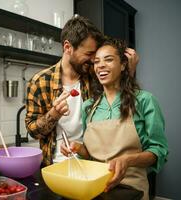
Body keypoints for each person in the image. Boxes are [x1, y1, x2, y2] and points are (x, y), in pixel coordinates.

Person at [60, 37, 168, 200]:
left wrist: (128, 160)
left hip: (132, 190)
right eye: (96, 62)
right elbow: (90, 155)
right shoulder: (88, 106)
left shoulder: (145, 101)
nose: (100, 65)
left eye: (108, 60)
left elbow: (158, 151)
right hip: (95, 189)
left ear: (123, 65)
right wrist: (78, 148)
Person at [25, 15, 139, 166]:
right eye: (89, 54)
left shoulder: (95, 76)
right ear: (68, 47)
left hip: (94, 164)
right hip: (56, 165)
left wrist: (128, 72)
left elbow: (121, 102)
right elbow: (33, 131)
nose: (94, 60)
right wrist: (54, 114)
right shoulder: (39, 82)